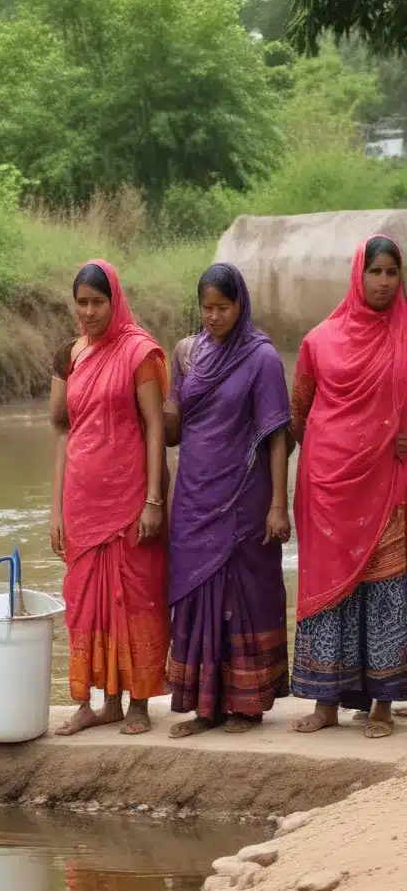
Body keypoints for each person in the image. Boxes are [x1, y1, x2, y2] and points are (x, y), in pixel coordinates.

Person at [164, 263, 291, 738]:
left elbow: (276, 434)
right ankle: (204, 706)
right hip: (194, 491)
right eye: (207, 308)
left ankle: (246, 704)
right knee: (197, 593)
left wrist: (279, 503)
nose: (214, 316)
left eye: (223, 307)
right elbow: (175, 429)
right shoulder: (188, 355)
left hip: (243, 497)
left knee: (242, 593)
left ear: (241, 305)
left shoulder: (261, 359)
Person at [290, 234, 407, 739]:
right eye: (374, 271)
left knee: (385, 588)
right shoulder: (319, 340)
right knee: (328, 592)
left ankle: (381, 705)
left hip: (388, 483)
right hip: (327, 486)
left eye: (391, 272)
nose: (383, 281)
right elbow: (297, 414)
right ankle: (326, 702)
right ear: (357, 275)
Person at [49, 260, 169, 736]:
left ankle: (138, 702)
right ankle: (96, 701)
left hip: (130, 495)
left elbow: (155, 425)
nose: (90, 311)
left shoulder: (139, 352)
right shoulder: (74, 354)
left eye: (99, 302)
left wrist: (154, 499)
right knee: (86, 601)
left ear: (115, 301)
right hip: (82, 494)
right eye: (82, 302)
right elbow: (64, 430)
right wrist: (54, 506)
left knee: (134, 597)